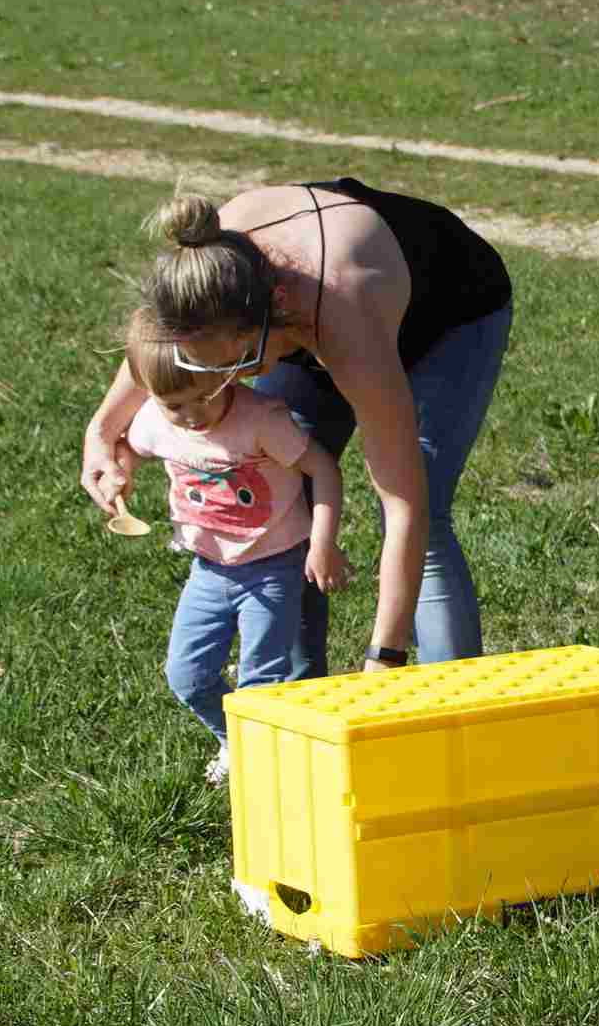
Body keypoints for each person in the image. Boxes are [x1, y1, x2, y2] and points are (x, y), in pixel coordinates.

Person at [83, 182, 512, 675]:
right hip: (297, 321)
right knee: (286, 493)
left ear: (276, 305)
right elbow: (156, 346)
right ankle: (299, 694)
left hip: (451, 315)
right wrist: (101, 432)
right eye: (212, 367)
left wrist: (385, 655)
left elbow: (403, 505)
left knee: (427, 508)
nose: (228, 385)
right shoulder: (205, 271)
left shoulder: (346, 317)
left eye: (239, 363)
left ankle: (454, 697)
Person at [122, 313, 349, 782]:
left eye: (203, 396)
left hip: (273, 570)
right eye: (174, 405)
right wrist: (118, 474)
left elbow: (323, 469)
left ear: (222, 371)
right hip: (208, 571)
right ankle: (237, 741)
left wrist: (322, 543)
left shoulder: (261, 420)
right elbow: (130, 448)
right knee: (186, 676)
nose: (192, 415)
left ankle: (264, 775)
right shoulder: (154, 420)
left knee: (259, 683)